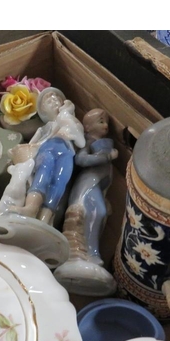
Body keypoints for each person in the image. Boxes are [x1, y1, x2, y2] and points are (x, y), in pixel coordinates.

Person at [54, 108, 118, 295]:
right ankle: (86, 253)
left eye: (105, 121)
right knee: (96, 211)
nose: (105, 125)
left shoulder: (102, 142)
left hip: (98, 185)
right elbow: (81, 160)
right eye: (100, 121)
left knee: (99, 213)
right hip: (87, 183)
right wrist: (105, 156)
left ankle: (91, 254)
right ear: (88, 127)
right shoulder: (89, 142)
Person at [10, 99, 85, 224]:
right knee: (43, 172)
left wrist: (70, 127)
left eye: (57, 98)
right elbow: (32, 144)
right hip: (48, 148)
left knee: (58, 182)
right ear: (43, 111)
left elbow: (81, 143)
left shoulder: (73, 123)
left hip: (66, 154)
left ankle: (45, 218)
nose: (55, 102)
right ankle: (31, 208)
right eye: (49, 101)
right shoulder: (46, 127)